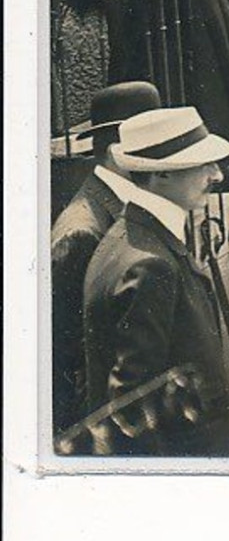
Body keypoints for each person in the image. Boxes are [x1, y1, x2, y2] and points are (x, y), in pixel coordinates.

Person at [81, 107, 229, 454]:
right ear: (161, 175)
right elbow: (132, 411)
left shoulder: (132, 235)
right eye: (203, 164)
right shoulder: (151, 264)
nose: (217, 176)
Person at [51, 82, 161, 438]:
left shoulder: (123, 207)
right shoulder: (81, 231)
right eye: (152, 144)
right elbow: (70, 359)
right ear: (119, 152)